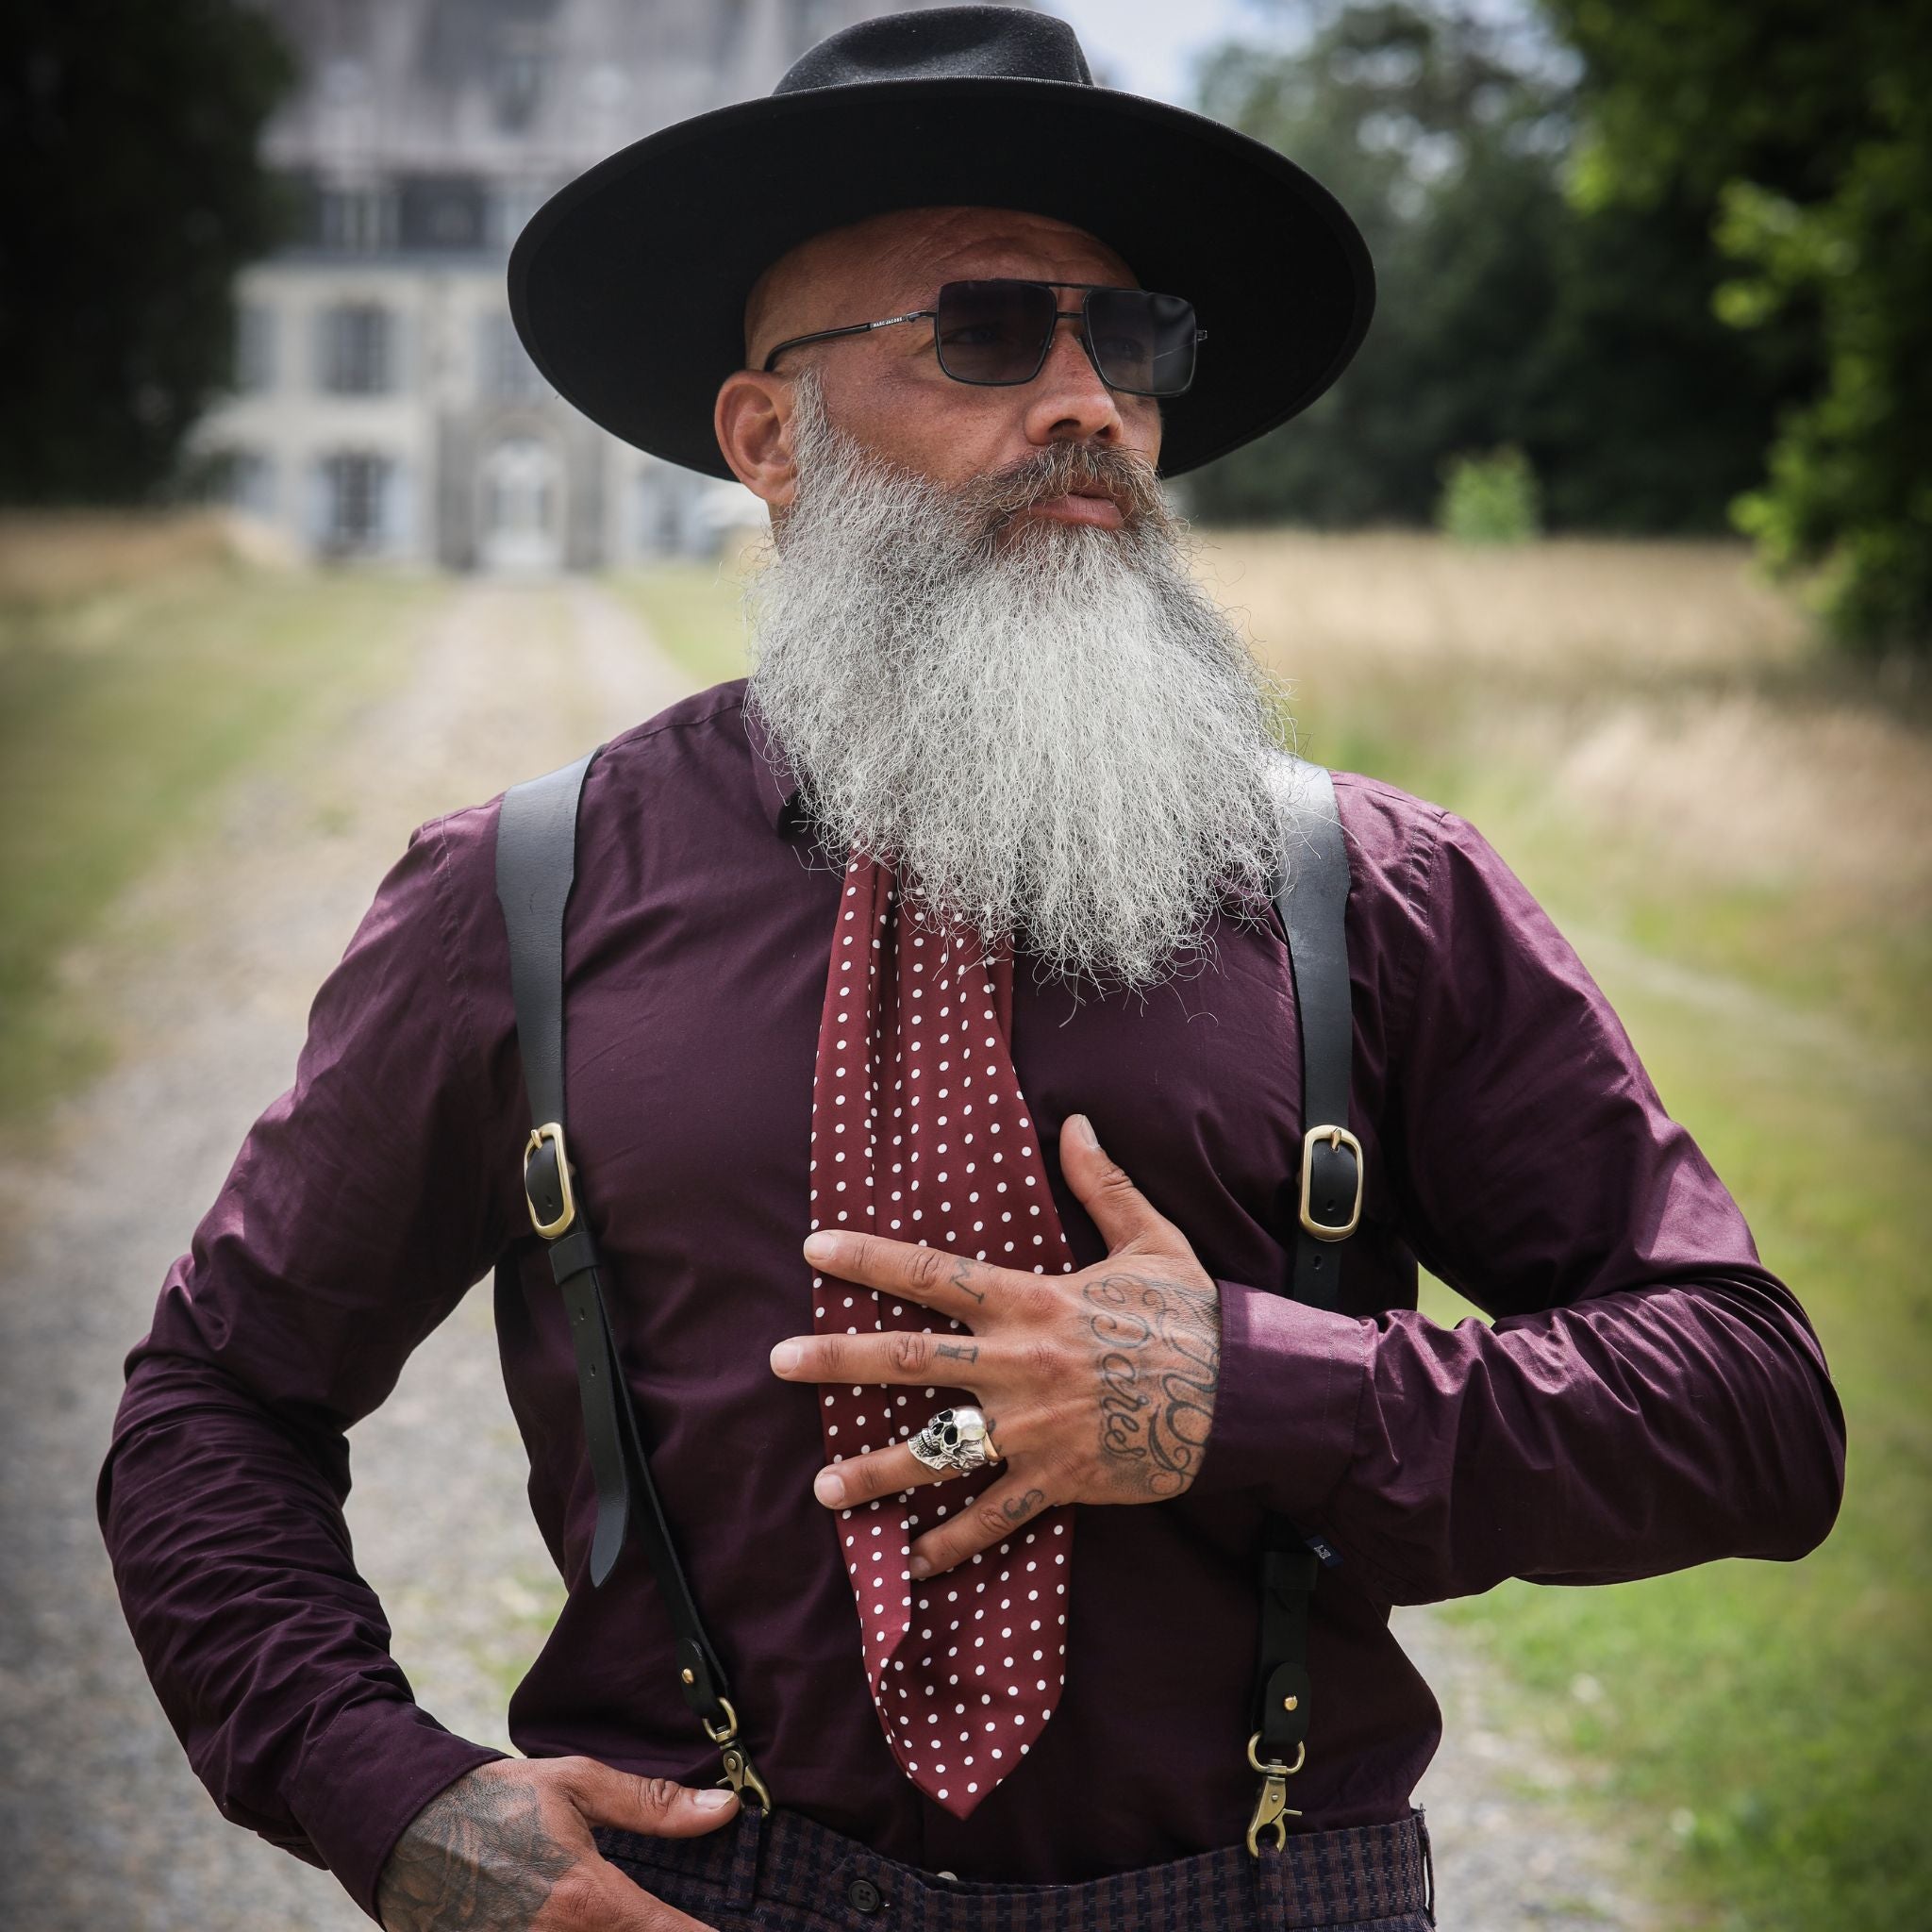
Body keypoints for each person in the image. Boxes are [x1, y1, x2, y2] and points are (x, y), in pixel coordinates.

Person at [97, 9, 1845, 1931]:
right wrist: (396, 1802)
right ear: (766, 432)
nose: (1088, 399)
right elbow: (214, 1402)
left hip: (1266, 1891)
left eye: (1131, 340)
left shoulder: (1377, 889)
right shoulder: (520, 892)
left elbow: (1751, 1409)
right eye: (990, 333)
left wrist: (1254, 1393)